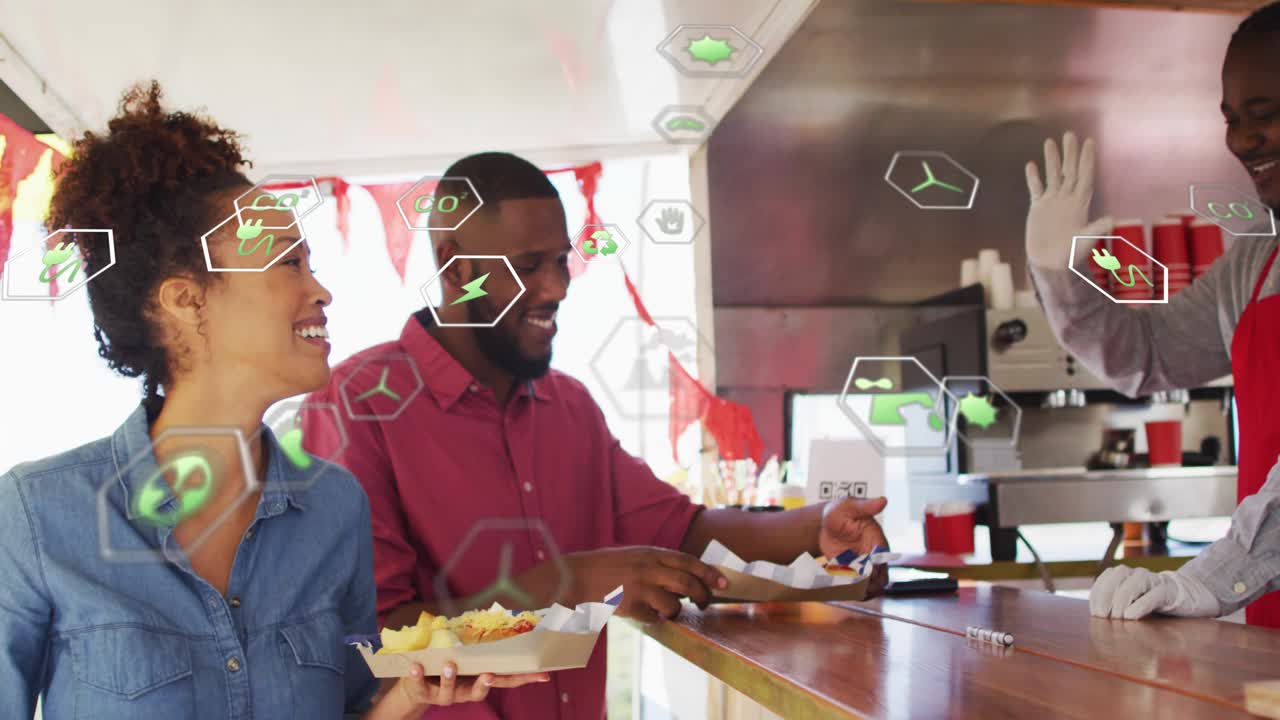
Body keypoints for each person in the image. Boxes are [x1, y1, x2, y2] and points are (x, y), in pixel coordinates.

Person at [0, 82, 547, 719]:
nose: (320, 291)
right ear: (187, 300)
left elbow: (350, 707)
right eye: (288, 262)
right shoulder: (37, 517)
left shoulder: (335, 509)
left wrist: (404, 696)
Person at [300, 151, 892, 720]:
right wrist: (570, 583)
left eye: (563, 261)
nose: (557, 287)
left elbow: (682, 533)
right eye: (530, 266)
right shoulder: (357, 403)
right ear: (456, 270)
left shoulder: (569, 405)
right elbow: (375, 639)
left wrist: (815, 529)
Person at [1023, 2, 1280, 626]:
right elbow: (1146, 357)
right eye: (1232, 120)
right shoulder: (1258, 258)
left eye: (1265, 116)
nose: (1242, 140)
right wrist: (1059, 269)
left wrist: (1207, 582)